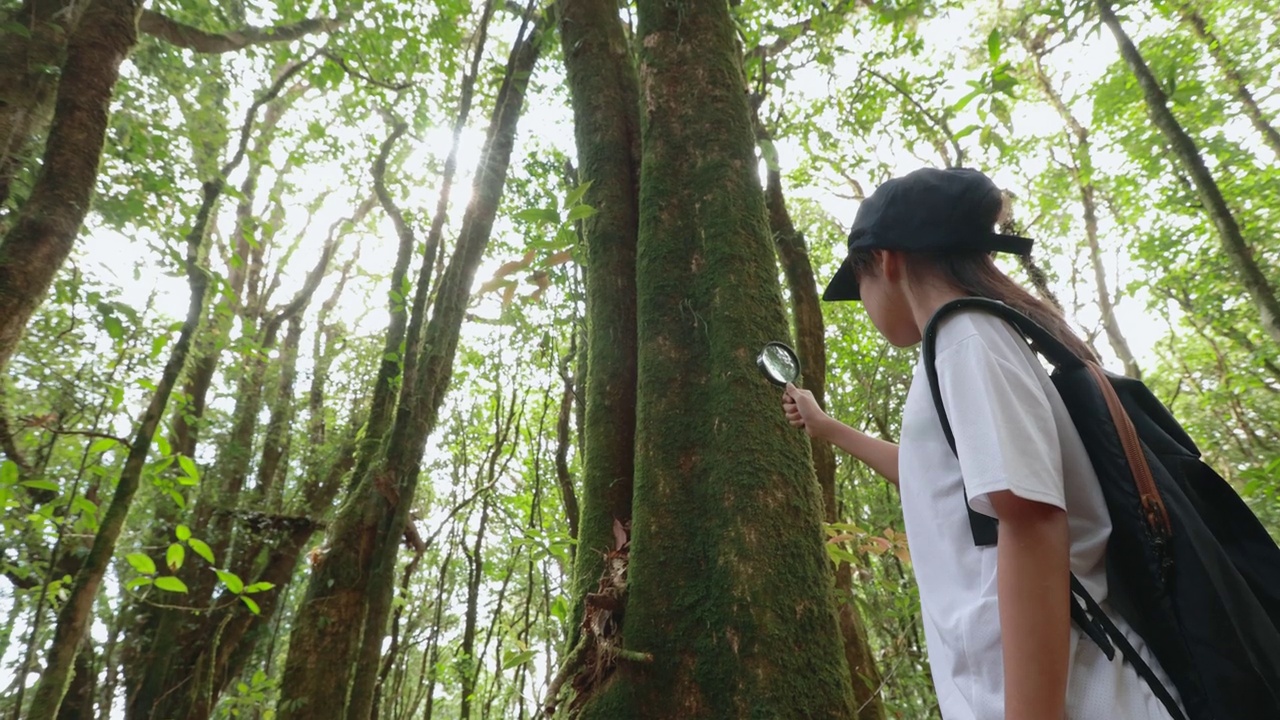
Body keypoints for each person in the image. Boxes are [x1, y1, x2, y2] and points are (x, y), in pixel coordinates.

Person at [782, 167, 1181, 719]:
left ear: (887, 261)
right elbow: (942, 481)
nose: (865, 302)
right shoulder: (962, 343)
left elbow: (1031, 521)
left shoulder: (964, 337)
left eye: (859, 281)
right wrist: (827, 428)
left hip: (1083, 697)